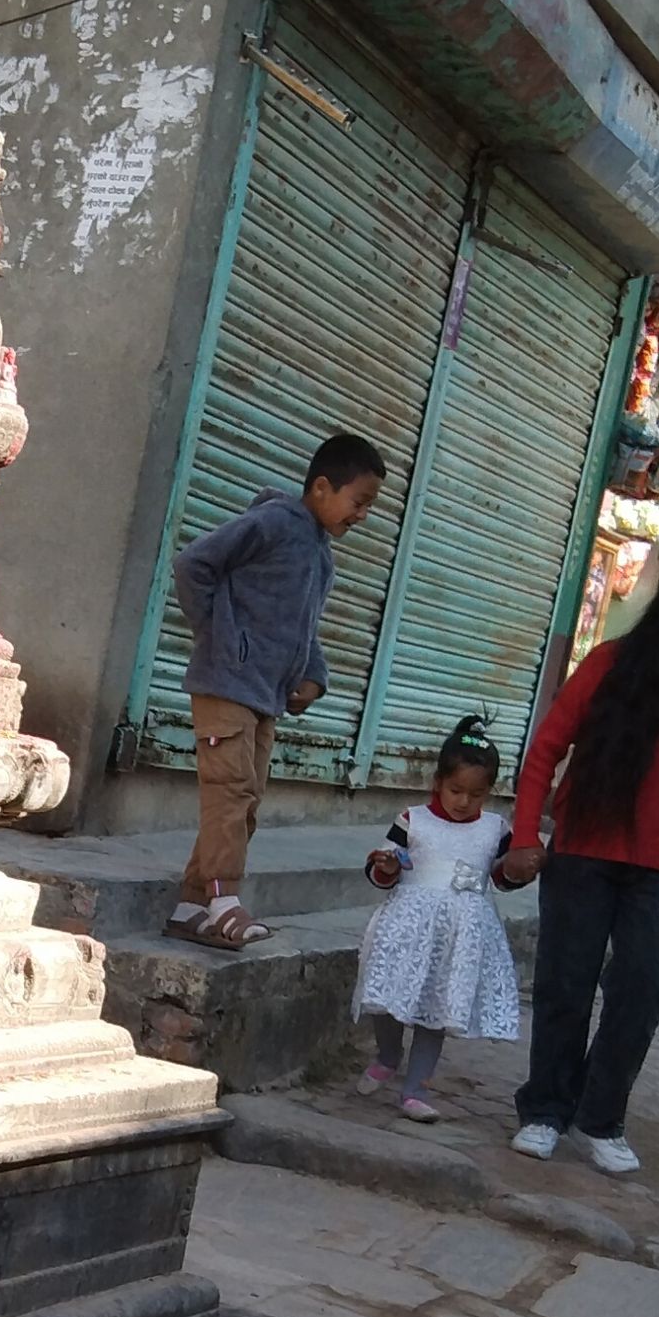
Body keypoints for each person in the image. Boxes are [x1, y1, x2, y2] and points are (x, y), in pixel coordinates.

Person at [500, 555, 659, 1175]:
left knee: (641, 993)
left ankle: (599, 1116)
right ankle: (544, 1111)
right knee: (565, 984)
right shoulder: (609, 664)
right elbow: (545, 752)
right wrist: (526, 835)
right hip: (583, 852)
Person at [165, 432, 387, 949]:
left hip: (264, 696)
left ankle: (191, 907)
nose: (362, 516)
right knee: (229, 794)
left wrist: (313, 675)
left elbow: (304, 627)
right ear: (322, 488)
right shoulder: (272, 523)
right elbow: (192, 565)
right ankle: (225, 901)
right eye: (359, 502)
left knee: (246, 802)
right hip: (226, 684)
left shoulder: (321, 555)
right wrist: (221, 638)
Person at [352, 716, 523, 1123]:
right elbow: (381, 873)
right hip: (407, 929)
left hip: (459, 936)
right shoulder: (412, 820)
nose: (464, 802)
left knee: (436, 1009)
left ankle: (415, 1090)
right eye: (456, 790)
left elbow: (501, 877)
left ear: (490, 792)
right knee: (388, 999)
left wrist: (518, 869)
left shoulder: (496, 829)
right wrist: (387, 867)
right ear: (437, 782)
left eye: (476, 794)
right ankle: (388, 1055)